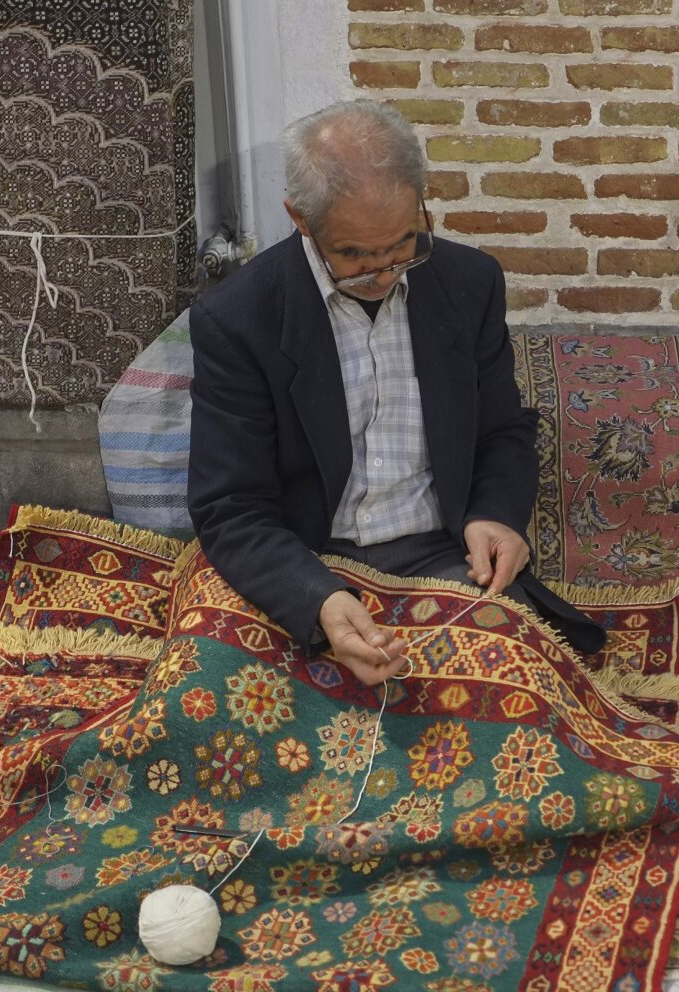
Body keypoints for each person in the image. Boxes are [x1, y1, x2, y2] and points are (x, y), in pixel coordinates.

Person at [188, 99, 604, 688]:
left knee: (512, 695)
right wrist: (319, 600)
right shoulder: (238, 319)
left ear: (420, 203)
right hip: (305, 556)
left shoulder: (469, 283)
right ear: (300, 219)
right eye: (355, 255)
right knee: (222, 708)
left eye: (404, 244)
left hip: (443, 558)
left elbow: (502, 431)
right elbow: (229, 506)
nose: (384, 273)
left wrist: (495, 516)